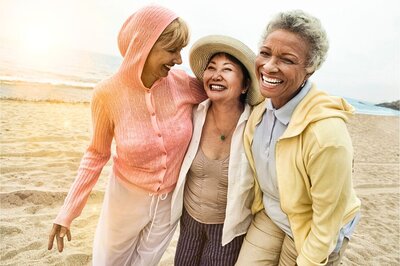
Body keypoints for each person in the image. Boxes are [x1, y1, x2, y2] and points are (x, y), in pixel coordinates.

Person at [47, 4, 206, 266]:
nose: (179, 60)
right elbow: (96, 155)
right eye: (171, 50)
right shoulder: (107, 93)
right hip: (124, 200)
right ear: (143, 46)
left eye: (181, 50)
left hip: (169, 204)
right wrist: (68, 211)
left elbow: (228, 96)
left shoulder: (183, 84)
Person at [235, 10, 361, 266]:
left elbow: (327, 220)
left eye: (287, 59)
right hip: (272, 213)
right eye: (265, 53)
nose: (269, 66)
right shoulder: (260, 109)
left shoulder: (327, 134)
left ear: (309, 70)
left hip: (316, 226)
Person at [170, 35, 264, 266]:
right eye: (211, 68)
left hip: (228, 230)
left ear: (244, 85)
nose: (216, 75)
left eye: (227, 69)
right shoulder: (192, 114)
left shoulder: (256, 124)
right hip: (189, 220)